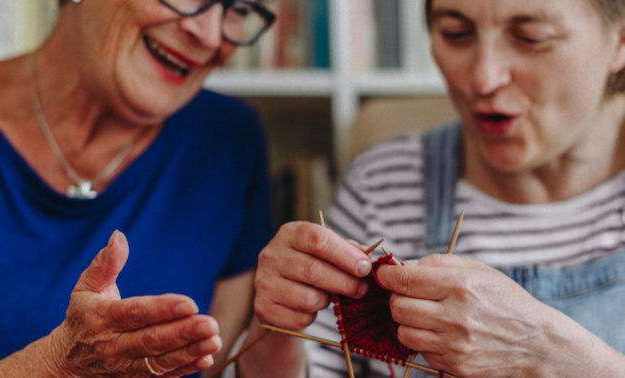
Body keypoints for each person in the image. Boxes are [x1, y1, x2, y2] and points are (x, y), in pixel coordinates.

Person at [251, 0, 625, 376]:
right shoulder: (382, 185)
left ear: (620, 40)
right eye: (455, 34)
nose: (483, 78)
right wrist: (278, 328)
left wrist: (544, 351)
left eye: (531, 38)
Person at [0, 0, 279, 376]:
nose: (208, 36)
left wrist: (286, 328)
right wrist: (56, 366)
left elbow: (216, 367)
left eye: (240, 8)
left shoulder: (230, 141)